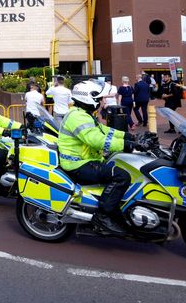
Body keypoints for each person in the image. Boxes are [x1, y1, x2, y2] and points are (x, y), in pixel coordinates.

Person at [59, 79, 141, 236]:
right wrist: (127, 144)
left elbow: (104, 131)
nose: (103, 102)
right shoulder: (77, 117)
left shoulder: (84, 114)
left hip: (88, 161)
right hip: (78, 165)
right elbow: (95, 140)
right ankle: (103, 216)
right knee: (121, 176)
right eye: (100, 99)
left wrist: (130, 136)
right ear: (89, 98)